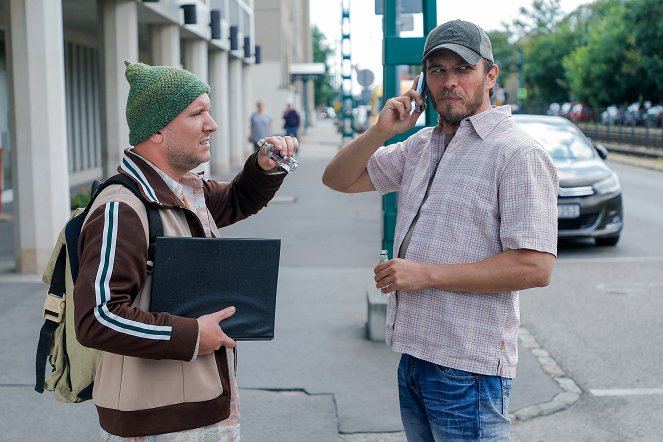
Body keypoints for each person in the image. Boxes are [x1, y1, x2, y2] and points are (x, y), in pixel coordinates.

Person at [322, 19, 558, 441]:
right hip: (414, 356)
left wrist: (424, 274)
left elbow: (535, 267)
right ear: (422, 80)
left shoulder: (518, 153)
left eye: (462, 70)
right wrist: (381, 131)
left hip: (469, 369)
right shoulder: (421, 144)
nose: (449, 82)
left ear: (490, 75)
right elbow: (338, 178)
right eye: (437, 71)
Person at [73, 60, 297, 440]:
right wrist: (191, 335)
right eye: (198, 114)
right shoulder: (122, 208)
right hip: (159, 422)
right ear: (157, 130)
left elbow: (237, 200)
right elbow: (96, 318)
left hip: (196, 407)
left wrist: (263, 167)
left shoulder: (183, 190)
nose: (212, 124)